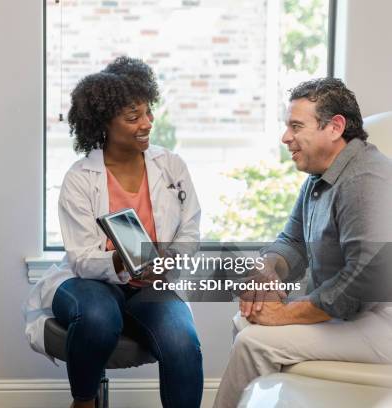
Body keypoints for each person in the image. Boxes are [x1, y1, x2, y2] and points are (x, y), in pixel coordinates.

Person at [24, 56, 203, 408]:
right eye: (133, 117)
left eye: (148, 112)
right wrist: (122, 262)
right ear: (104, 123)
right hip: (89, 283)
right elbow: (84, 260)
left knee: (183, 341)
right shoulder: (81, 178)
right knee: (98, 317)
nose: (146, 123)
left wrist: (168, 258)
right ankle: (84, 401)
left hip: (150, 285)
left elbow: (190, 229)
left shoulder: (171, 166)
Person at [213, 78, 392, 408]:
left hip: (381, 321)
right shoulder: (319, 178)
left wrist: (284, 314)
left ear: (335, 127)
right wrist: (267, 270)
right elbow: (291, 241)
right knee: (246, 321)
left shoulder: (366, 178)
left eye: (296, 126)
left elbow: (363, 279)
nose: (285, 137)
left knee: (255, 342)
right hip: (353, 314)